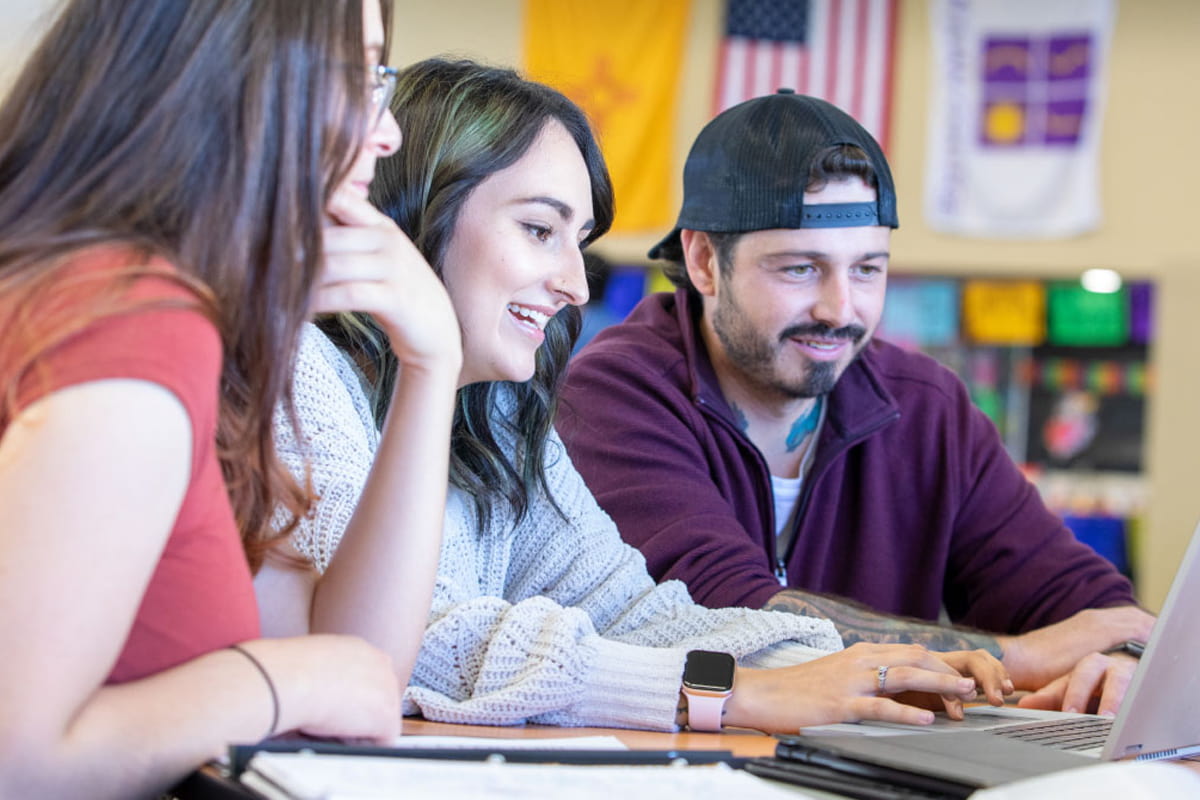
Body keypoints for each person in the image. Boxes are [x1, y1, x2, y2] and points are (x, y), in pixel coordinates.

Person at [268, 57, 1013, 737]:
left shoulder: (496, 412)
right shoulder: (299, 371)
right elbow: (425, 640)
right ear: (418, 215)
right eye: (538, 229)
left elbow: (633, 610)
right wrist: (735, 695)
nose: (575, 284)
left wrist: (854, 670)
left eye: (578, 240)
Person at [557, 90, 1154, 716]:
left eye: (867, 270)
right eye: (800, 269)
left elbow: (1088, 608)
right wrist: (1023, 658)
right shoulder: (612, 394)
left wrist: (1116, 664)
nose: (841, 310)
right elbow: (731, 618)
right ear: (705, 262)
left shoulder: (929, 409)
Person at [0, 1, 445, 795]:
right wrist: (278, 683)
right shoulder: (132, 323)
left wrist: (431, 366)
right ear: (229, 79)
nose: (388, 133)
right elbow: (19, 764)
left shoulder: (183, 321)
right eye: (356, 76)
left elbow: (355, 663)